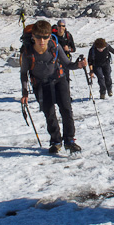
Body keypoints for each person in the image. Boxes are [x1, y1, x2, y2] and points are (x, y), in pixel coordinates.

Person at [20, 20, 87, 154]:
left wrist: (78, 65)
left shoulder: (55, 46)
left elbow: (67, 64)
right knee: (50, 113)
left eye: (45, 37)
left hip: (59, 80)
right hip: (40, 85)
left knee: (66, 110)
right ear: (33, 36)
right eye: (39, 37)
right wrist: (25, 93)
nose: (42, 40)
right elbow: (23, 73)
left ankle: (69, 140)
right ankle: (56, 141)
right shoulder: (27, 52)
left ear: (50, 36)